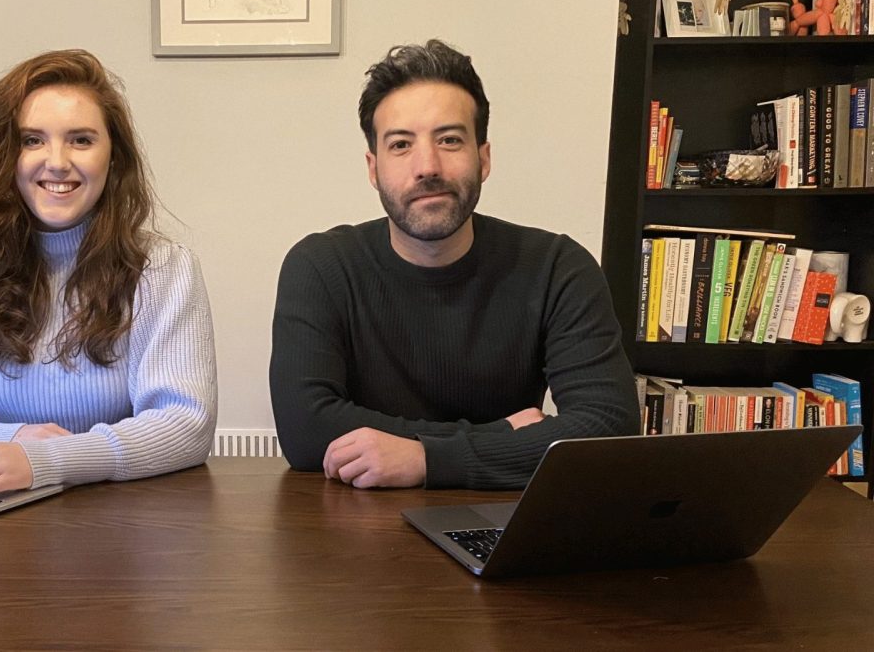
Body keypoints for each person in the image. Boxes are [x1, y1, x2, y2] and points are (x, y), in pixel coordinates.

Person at [269, 40, 638, 490]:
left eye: (449, 140)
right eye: (401, 144)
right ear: (373, 168)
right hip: (356, 528)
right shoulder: (321, 267)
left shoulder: (558, 267)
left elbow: (607, 425)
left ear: (483, 159)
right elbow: (306, 431)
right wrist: (501, 436)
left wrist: (428, 459)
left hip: (504, 526)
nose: (427, 166)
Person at [0, 49, 217, 506]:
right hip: (3, 522)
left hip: (126, 523)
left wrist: (48, 459)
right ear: (6, 156)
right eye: (32, 140)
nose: (56, 162)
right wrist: (13, 437)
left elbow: (184, 426)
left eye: (80, 140)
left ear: (113, 158)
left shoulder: (163, 268)